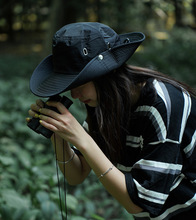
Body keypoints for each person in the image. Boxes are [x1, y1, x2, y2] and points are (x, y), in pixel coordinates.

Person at [27, 22, 196, 219]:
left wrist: (82, 138)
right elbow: (76, 175)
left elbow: (140, 204)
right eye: (69, 85)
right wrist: (58, 135)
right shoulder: (103, 106)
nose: (74, 94)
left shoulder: (162, 104)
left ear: (107, 72)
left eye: (80, 82)